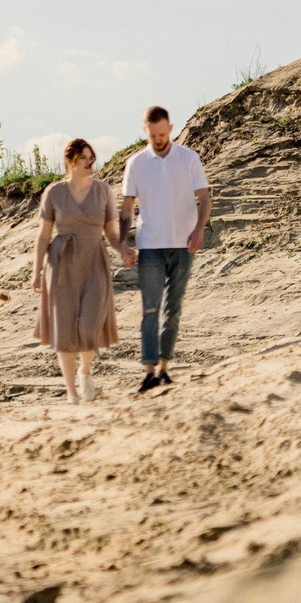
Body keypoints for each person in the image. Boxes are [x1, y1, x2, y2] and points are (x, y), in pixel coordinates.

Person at [119, 105, 209, 394]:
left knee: (173, 311)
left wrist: (199, 229)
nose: (158, 138)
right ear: (145, 131)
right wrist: (123, 244)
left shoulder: (189, 158)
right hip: (150, 246)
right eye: (152, 134)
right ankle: (148, 372)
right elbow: (127, 208)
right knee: (150, 309)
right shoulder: (136, 163)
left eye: (162, 132)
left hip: (183, 245)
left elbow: (205, 198)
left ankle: (164, 369)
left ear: (170, 128)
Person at [33, 138, 129, 402]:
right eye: (84, 158)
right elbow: (43, 235)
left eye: (91, 158)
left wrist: (123, 250)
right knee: (64, 330)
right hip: (60, 261)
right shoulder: (54, 192)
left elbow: (111, 232)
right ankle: (72, 392)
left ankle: (84, 371)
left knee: (90, 324)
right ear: (70, 161)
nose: (90, 162)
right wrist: (36, 270)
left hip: (94, 260)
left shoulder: (103, 191)